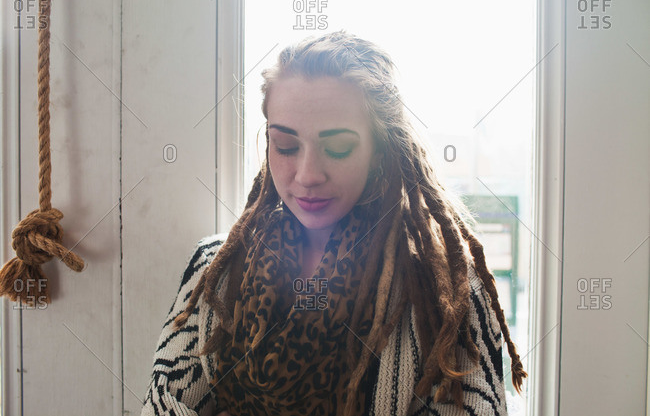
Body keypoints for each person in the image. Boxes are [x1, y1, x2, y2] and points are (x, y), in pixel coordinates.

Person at [141, 31, 527, 416]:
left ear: (380, 150)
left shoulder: (444, 290)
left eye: (338, 148)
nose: (308, 175)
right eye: (286, 146)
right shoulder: (214, 269)